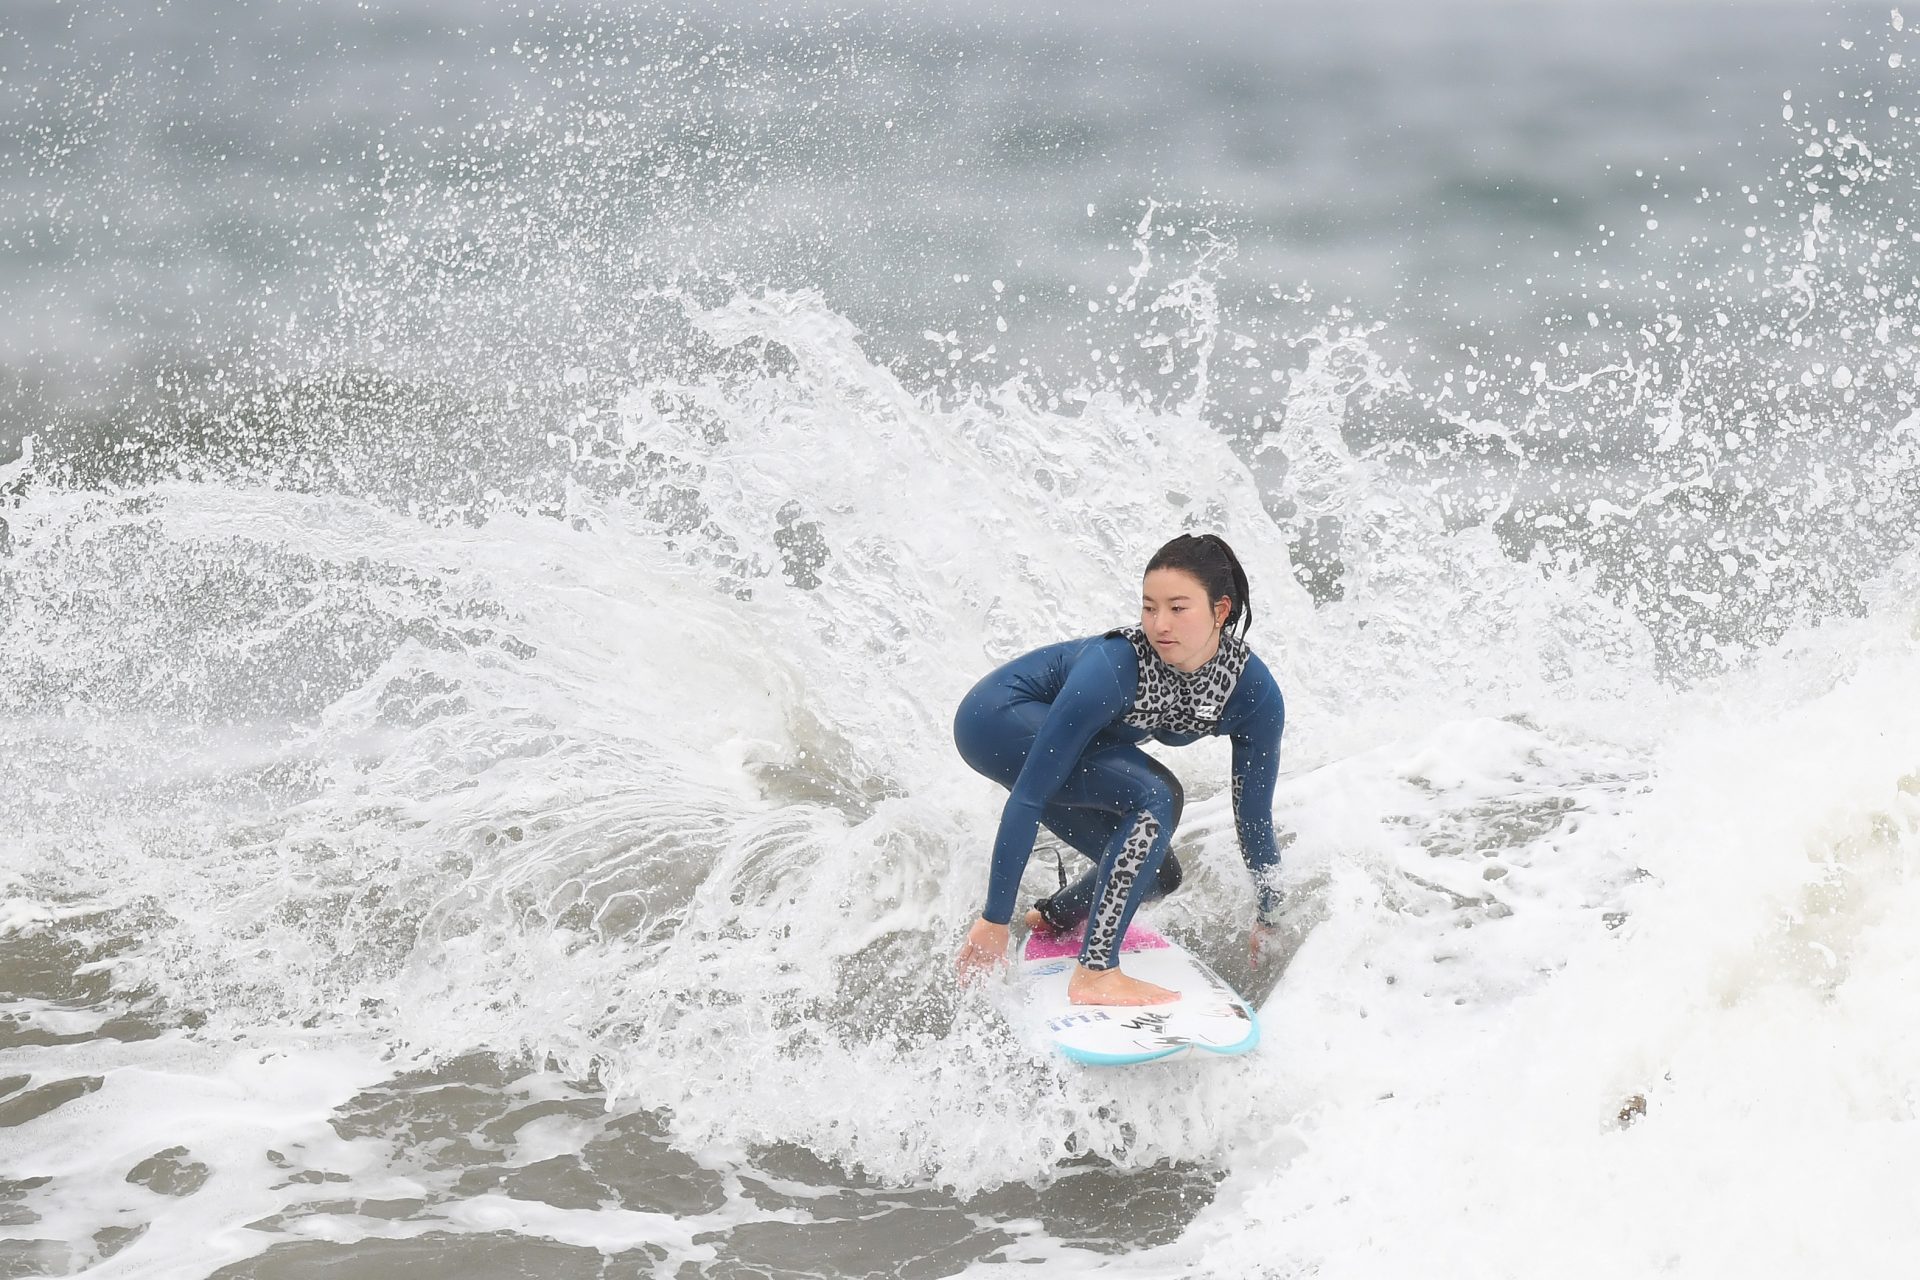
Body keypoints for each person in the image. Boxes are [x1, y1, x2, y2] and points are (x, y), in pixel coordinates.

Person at [951, 533, 1286, 1006]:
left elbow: (1253, 818)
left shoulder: (1252, 694)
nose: (1158, 624)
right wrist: (993, 920)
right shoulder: (1118, 666)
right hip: (999, 719)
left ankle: (1051, 917)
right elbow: (1028, 796)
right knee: (1158, 794)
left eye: (1177, 607)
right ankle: (1096, 972)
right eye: (1149, 607)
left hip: (1065, 740)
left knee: (1157, 873)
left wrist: (1270, 914)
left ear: (1221, 610)